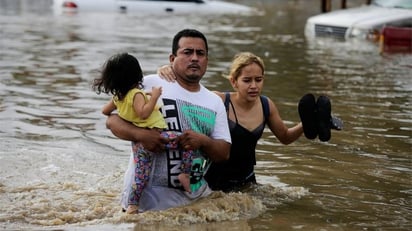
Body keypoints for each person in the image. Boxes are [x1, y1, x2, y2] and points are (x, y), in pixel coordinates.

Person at [105, 29, 231, 213]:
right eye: (187, 52)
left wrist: (202, 141)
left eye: (200, 53)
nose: (195, 58)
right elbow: (111, 121)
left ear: (207, 61)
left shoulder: (214, 102)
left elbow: (224, 153)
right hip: (143, 203)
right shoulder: (149, 84)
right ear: (172, 59)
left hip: (193, 202)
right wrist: (141, 135)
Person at [158, 52, 305, 192]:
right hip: (212, 181)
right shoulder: (218, 100)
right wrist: (169, 71)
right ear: (234, 82)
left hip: (246, 182)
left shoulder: (266, 105)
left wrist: (306, 124)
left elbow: (285, 137)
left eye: (258, 80)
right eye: (247, 80)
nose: (254, 86)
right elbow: (188, 95)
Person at [92, 53, 196, 214]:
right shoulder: (136, 94)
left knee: (141, 175)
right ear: (136, 74)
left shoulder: (118, 97)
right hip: (157, 135)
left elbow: (105, 111)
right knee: (188, 141)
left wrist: (126, 115)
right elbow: (143, 113)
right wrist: (154, 97)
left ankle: (133, 205)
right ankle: (184, 174)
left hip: (138, 142)